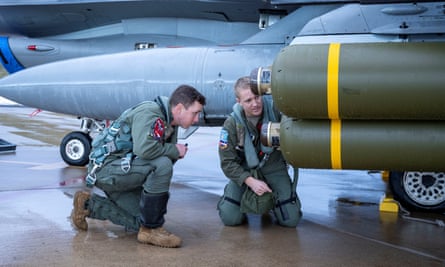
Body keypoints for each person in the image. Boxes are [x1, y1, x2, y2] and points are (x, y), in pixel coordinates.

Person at [71, 84, 206, 248]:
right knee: (161, 165)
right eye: (195, 113)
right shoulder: (151, 113)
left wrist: (171, 152)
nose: (197, 119)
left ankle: (88, 206)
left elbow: (159, 155)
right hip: (107, 170)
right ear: (179, 108)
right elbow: (145, 150)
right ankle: (152, 230)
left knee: (140, 221)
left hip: (123, 173)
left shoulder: (170, 122)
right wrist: (174, 150)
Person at [217, 76, 302, 227]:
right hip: (245, 171)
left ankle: (275, 203)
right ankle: (234, 198)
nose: (255, 104)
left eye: (257, 97)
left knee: (291, 220)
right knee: (230, 218)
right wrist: (250, 181)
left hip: (274, 168)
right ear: (239, 102)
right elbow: (227, 162)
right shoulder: (231, 124)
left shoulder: (277, 112)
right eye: (248, 101)